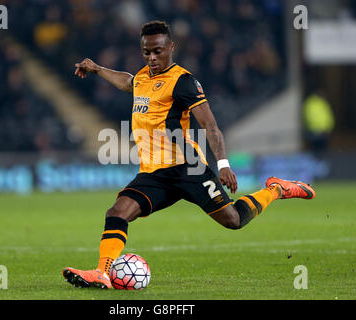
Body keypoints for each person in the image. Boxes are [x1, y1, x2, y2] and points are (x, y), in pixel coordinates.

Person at [62, 21, 315, 289]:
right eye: (146, 52)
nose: (152, 58)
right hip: (154, 173)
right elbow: (128, 82)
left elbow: (210, 125)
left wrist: (224, 164)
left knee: (233, 220)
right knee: (117, 211)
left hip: (188, 167)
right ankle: (102, 273)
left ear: (171, 47)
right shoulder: (144, 77)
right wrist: (98, 69)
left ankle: (276, 189)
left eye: (158, 51)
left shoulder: (183, 81)